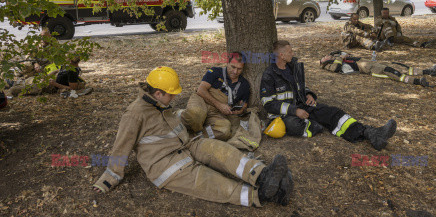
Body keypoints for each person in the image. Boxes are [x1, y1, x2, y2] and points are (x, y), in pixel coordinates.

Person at [92, 66, 293, 207]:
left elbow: (171, 124)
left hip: (187, 145)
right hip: (167, 165)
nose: (174, 97)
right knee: (209, 182)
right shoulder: (135, 114)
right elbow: (121, 147)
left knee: (220, 150)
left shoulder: (158, 104)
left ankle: (263, 175)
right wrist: (109, 178)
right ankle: (261, 196)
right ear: (158, 93)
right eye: (171, 94)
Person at [260, 40, 397, 151]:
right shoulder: (269, 75)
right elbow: (268, 103)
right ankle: (316, 125)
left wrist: (308, 94)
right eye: (290, 52)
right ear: (282, 56)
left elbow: (301, 86)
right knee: (294, 125)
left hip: (302, 106)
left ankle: (371, 133)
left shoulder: (293, 68)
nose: (293, 53)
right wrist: (294, 111)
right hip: (285, 114)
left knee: (333, 112)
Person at [182, 52, 250, 141]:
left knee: (225, 130)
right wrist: (219, 105)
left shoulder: (244, 84)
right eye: (233, 67)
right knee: (196, 114)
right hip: (201, 100)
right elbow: (201, 90)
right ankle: (180, 116)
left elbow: (243, 105)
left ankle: (196, 137)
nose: (235, 72)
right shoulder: (215, 71)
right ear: (227, 63)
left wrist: (239, 111)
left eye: (239, 69)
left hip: (217, 112)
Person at [320, 51, 436, 87]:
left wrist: (340, 55)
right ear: (324, 62)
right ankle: (418, 82)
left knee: (396, 66)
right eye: (324, 57)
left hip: (364, 61)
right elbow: (336, 68)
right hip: (364, 67)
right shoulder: (329, 65)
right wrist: (340, 58)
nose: (326, 56)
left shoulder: (335, 57)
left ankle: (427, 71)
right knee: (391, 72)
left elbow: (344, 54)